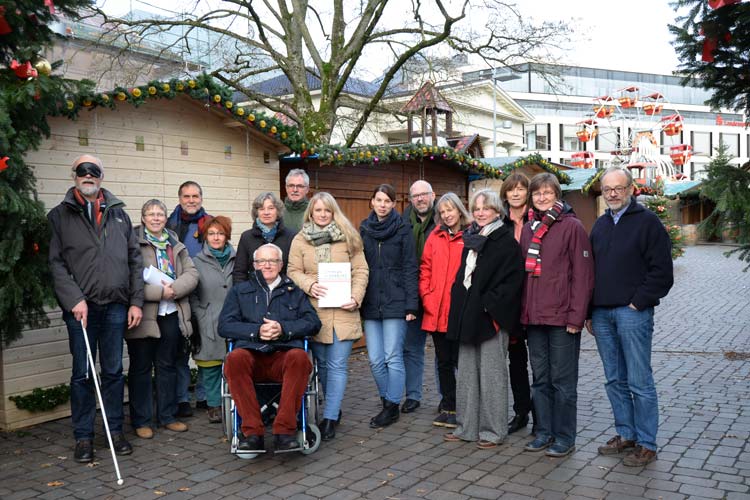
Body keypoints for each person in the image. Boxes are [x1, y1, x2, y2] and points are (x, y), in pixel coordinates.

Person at [48, 155, 144, 463]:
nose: (88, 175)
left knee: (114, 371)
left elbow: (134, 261)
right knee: (82, 373)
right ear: (73, 174)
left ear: (101, 176)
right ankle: (83, 437)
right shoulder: (59, 216)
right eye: (82, 170)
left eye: (94, 171)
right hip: (81, 308)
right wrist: (74, 299)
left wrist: (135, 301)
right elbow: (56, 263)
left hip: (116, 306)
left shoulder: (119, 215)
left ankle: (114, 432)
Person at [586, 166, 674, 467]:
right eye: (607, 188)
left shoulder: (648, 223)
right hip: (601, 315)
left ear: (630, 189)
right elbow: (590, 272)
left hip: (632, 314)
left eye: (618, 188)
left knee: (639, 381)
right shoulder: (599, 225)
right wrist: (589, 310)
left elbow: (662, 272)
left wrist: (638, 303)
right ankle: (626, 434)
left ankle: (647, 443)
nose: (612, 193)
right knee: (614, 380)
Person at [218, 243, 322, 452]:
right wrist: (256, 331)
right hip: (251, 356)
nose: (267, 265)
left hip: (283, 357)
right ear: (254, 264)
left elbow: (313, 323)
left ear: (281, 264)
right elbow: (225, 325)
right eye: (262, 261)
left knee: (300, 358)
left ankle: (284, 431)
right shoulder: (240, 291)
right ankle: (252, 433)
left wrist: (283, 329)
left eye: (272, 261)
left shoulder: (294, 291)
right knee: (234, 358)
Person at [520, 173, 594, 458]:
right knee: (540, 380)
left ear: (557, 195)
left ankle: (565, 437)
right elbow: (524, 277)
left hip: (562, 319)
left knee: (563, 383)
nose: (541, 197)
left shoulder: (572, 227)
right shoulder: (529, 228)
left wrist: (577, 318)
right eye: (537, 193)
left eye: (547, 193)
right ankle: (544, 432)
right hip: (535, 319)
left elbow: (583, 277)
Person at [443, 189, 523, 449]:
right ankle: (466, 427)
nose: (480, 213)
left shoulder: (505, 241)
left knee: (492, 377)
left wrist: (490, 308)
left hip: (491, 319)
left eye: (485, 208)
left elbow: (512, 284)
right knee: (466, 375)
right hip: (468, 317)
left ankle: (493, 431)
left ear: (497, 211)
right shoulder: (472, 239)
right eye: (476, 208)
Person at [287, 192, 369, 441]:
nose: (322, 215)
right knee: (322, 367)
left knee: (337, 366)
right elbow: (292, 270)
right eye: (318, 211)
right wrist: (310, 284)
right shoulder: (300, 240)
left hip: (344, 311)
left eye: (327, 211)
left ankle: (331, 416)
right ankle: (333, 406)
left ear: (334, 212)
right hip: (314, 313)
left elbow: (361, 269)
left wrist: (356, 296)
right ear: (311, 213)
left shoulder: (349, 238)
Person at [126, 199, 199, 439]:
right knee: (141, 368)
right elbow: (128, 281)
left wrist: (174, 290)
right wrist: (160, 292)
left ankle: (167, 416)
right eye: (151, 214)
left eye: (160, 214)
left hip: (171, 313)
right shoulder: (132, 242)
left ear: (166, 218)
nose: (156, 218)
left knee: (167, 366)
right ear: (143, 217)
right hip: (144, 314)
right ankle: (142, 420)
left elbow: (192, 273)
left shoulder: (175, 243)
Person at [360, 184, 419, 428]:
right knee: (375, 358)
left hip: (396, 302)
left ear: (394, 204)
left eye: (387, 200)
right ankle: (387, 400)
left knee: (392, 356)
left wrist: (411, 305)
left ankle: (392, 406)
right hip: (371, 302)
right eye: (379, 200)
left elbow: (410, 268)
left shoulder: (403, 229)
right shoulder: (364, 229)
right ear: (372, 201)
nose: (383, 204)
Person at [419, 192, 471, 429]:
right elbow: (425, 269)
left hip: (460, 312)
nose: (447, 215)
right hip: (436, 310)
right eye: (442, 212)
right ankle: (449, 405)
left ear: (459, 210)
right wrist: (428, 298)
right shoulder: (434, 236)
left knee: (464, 361)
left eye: (451, 209)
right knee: (443, 362)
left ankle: (468, 406)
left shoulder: (470, 235)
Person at [166, 181, 212, 417]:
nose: (191, 200)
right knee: (181, 348)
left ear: (201, 198)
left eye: (195, 195)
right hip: (178, 295)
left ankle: (204, 395)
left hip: (204, 295)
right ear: (180, 198)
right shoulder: (168, 224)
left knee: (205, 346)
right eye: (187, 196)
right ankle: (182, 398)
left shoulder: (211, 224)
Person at [190, 216, 235, 424]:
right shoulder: (196, 261)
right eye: (212, 233)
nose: (216, 237)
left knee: (236, 363)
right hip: (208, 318)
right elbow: (192, 292)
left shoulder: (237, 258)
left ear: (227, 236)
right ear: (205, 237)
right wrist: (200, 313)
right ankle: (214, 405)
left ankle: (236, 401)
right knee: (211, 365)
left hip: (235, 319)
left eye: (220, 233)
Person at [500, 172, 535, 434]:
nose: (515, 193)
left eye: (521, 189)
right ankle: (522, 411)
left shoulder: (539, 220)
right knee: (516, 360)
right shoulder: (501, 224)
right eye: (511, 189)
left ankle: (543, 415)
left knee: (540, 360)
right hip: (511, 300)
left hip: (535, 296)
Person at [400, 180, 436, 414]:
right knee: (412, 348)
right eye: (416, 196)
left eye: (424, 194)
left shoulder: (444, 218)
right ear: (410, 199)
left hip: (439, 294)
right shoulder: (402, 223)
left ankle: (448, 397)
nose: (420, 199)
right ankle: (413, 395)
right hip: (412, 294)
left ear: (433, 195)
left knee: (445, 352)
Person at [234, 192, 296, 282]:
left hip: (285, 292)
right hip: (253, 292)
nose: (266, 212)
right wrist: (242, 294)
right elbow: (239, 272)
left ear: (278, 211)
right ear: (256, 212)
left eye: (271, 208)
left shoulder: (291, 236)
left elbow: (295, 270)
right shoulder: (246, 237)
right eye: (261, 209)